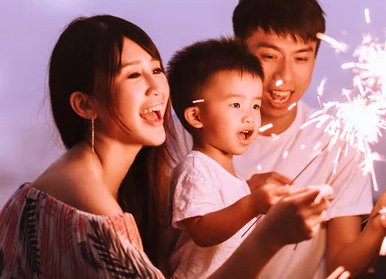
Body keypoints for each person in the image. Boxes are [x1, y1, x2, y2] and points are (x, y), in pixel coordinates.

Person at [0, 15, 330, 279]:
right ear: (85, 105)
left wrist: (244, 190)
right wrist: (268, 236)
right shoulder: (94, 209)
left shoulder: (94, 177)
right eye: (132, 76)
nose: (156, 87)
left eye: (156, 69)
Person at [232, 0, 386, 279]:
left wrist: (377, 225)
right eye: (269, 56)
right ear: (236, 49)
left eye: (301, 58)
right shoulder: (191, 130)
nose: (283, 77)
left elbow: (339, 268)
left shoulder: (340, 144)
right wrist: (243, 195)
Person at [167, 38, 328, 279]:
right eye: (235, 104)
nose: (250, 117)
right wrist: (253, 203)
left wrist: (250, 190)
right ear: (196, 117)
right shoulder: (195, 168)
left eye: (255, 105)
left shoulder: (228, 174)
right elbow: (202, 231)